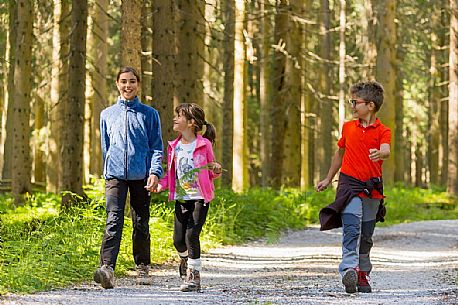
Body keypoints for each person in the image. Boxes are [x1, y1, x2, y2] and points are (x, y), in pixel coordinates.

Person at [316, 81, 391, 294]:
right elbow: (340, 153)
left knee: (366, 235)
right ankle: (348, 268)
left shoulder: (383, 131)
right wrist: (329, 178)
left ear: (370, 105)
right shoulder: (348, 127)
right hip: (348, 185)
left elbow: (386, 149)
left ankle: (362, 272)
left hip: (373, 188)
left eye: (355, 102)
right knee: (351, 229)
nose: (352, 106)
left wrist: (380, 153)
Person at [93, 66, 163, 289]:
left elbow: (157, 147)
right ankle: (107, 268)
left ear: (138, 84)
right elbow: (106, 146)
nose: (127, 85)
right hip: (114, 175)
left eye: (132, 81)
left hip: (141, 176)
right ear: (117, 84)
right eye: (123, 81)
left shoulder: (149, 114)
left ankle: (142, 266)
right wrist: (107, 169)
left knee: (141, 221)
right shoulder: (107, 114)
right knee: (113, 219)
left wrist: (154, 172)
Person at [149, 103, 222, 292]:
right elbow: (170, 174)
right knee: (178, 240)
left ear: (191, 123)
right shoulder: (174, 147)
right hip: (181, 198)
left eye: (179, 116)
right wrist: (160, 185)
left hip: (199, 198)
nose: (175, 119)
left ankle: (193, 278)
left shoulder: (204, 144)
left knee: (192, 235)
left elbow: (211, 171)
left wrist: (216, 170)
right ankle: (185, 259)